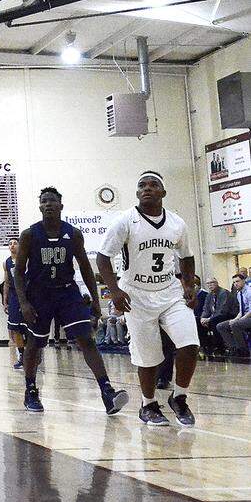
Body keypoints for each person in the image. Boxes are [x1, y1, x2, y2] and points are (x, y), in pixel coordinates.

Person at [96, 170, 199, 427]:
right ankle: (148, 404)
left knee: (190, 343)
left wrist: (188, 283)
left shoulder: (176, 223)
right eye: (142, 185)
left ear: (163, 193)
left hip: (169, 292)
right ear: (137, 192)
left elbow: (186, 256)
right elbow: (103, 258)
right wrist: (115, 291)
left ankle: (180, 397)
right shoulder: (125, 221)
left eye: (153, 185)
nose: (147, 188)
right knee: (148, 356)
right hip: (136, 295)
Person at [13, 187, 128, 416]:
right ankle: (31, 390)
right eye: (44, 201)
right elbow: (18, 272)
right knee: (35, 344)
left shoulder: (73, 234)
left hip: (67, 292)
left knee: (86, 338)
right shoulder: (29, 235)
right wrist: (23, 303)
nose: (48, 204)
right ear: (40, 207)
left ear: (60, 206)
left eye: (52, 201)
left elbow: (85, 267)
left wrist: (96, 301)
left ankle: (107, 391)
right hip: (39, 294)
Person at [2, 238, 26, 368]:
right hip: (14, 296)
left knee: (29, 327)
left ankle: (33, 354)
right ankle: (21, 355)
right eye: (10, 244)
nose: (12, 245)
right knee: (15, 328)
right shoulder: (6, 263)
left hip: (27, 295)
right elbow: (6, 282)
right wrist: (5, 300)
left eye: (15, 243)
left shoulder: (27, 260)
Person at [216, 274, 251, 357]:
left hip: (250, 317)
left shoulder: (250, 292)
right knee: (220, 326)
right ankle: (235, 348)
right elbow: (241, 311)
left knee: (235, 324)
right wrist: (235, 319)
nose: (235, 284)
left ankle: (243, 350)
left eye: (237, 281)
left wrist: (239, 320)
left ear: (243, 281)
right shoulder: (239, 293)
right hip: (245, 317)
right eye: (234, 282)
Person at [199, 277, 232, 355]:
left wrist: (209, 319)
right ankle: (205, 346)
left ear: (217, 283)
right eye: (208, 284)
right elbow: (206, 309)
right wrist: (202, 318)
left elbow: (222, 310)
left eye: (212, 283)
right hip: (216, 316)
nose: (210, 285)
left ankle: (219, 347)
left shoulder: (224, 293)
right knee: (199, 322)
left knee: (215, 321)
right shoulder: (209, 295)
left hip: (228, 315)